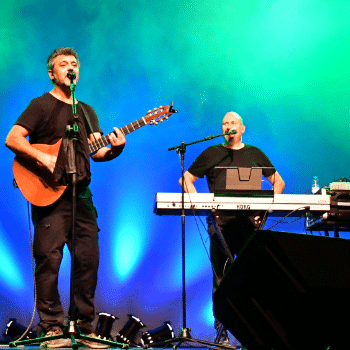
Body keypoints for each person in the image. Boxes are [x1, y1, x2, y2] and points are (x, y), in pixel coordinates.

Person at [5, 47, 126, 348]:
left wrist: (117, 147)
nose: (70, 68)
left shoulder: (86, 111)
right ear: (52, 73)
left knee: (88, 260)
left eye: (74, 64)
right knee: (49, 261)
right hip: (49, 193)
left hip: (81, 194)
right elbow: (13, 138)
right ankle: (52, 328)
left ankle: (84, 326)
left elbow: (98, 152)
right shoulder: (41, 105)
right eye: (63, 64)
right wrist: (44, 159)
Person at [179, 111, 285, 344]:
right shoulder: (212, 153)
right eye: (225, 123)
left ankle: (257, 334)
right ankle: (222, 334)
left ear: (242, 128)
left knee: (254, 277)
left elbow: (278, 181)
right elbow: (185, 178)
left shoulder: (255, 153)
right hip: (220, 225)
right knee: (222, 279)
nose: (229, 126)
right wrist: (199, 202)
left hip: (249, 225)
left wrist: (265, 209)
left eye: (233, 122)